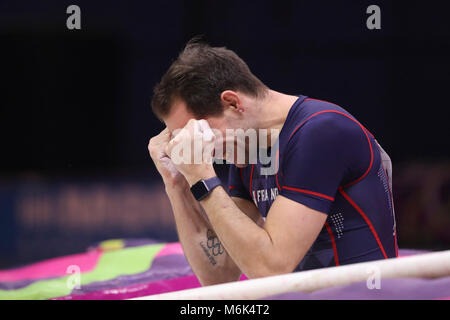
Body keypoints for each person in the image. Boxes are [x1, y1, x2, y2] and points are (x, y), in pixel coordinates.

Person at [148, 39, 398, 286]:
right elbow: (219, 274)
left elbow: (271, 268)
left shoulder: (321, 132)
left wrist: (202, 177)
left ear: (233, 103)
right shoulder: (249, 149)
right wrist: (177, 183)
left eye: (197, 133)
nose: (197, 148)